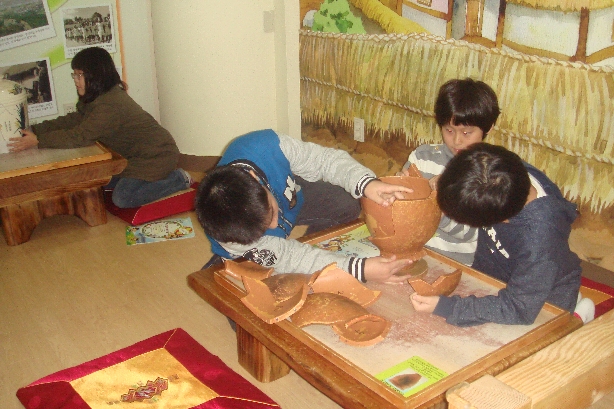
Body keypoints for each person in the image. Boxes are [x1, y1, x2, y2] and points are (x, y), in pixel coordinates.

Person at [195, 129, 416, 283]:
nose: (274, 223)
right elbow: (291, 255)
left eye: (271, 212)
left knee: (346, 202)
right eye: (265, 227)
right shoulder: (229, 235)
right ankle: (225, 266)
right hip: (250, 249)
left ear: (254, 177)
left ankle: (312, 255)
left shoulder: (267, 146)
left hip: (292, 196)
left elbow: (324, 161)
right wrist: (358, 269)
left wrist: (367, 183)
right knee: (260, 310)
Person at [410, 142, 588, 326]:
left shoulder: (540, 237)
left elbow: (519, 308)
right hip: (499, 272)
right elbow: (475, 172)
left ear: (500, 220)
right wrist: (449, 183)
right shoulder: (506, 172)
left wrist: (449, 308)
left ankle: (576, 316)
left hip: (541, 297)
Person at [8, 47, 191, 208]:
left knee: (122, 198)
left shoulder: (109, 105)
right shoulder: (98, 96)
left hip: (156, 156)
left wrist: (39, 141)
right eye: (75, 74)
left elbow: (80, 136)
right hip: (133, 158)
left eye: (80, 75)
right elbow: (74, 119)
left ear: (96, 75)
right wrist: (36, 130)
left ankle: (179, 178)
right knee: (98, 184)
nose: (76, 80)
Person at [399, 78, 500, 265]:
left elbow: (471, 233)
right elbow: (402, 216)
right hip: (414, 254)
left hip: (457, 264)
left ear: (489, 128)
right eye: (449, 130)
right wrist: (399, 191)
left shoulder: (491, 174)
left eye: (467, 133)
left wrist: (438, 203)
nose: (457, 141)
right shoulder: (423, 158)